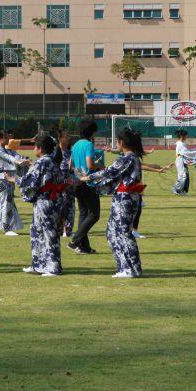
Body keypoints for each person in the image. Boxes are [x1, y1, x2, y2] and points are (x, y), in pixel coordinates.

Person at [82, 128, 145, 278]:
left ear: (121, 142)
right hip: (128, 197)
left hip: (124, 199)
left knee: (120, 233)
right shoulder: (133, 157)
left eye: (117, 141)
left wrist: (89, 178)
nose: (116, 144)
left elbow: (109, 172)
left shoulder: (126, 159)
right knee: (114, 232)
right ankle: (132, 268)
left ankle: (127, 269)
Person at [14, 134, 66, 277]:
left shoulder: (42, 162)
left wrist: (16, 178)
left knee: (48, 233)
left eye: (35, 146)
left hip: (45, 201)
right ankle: (39, 264)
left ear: (40, 148)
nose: (34, 149)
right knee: (38, 231)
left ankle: (53, 266)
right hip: (50, 200)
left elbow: (31, 182)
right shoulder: (52, 161)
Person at [68, 119, 103, 254]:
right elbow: (90, 165)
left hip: (77, 182)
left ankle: (84, 247)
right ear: (92, 132)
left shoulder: (76, 144)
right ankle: (75, 241)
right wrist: (100, 166)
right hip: (88, 182)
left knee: (83, 214)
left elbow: (70, 165)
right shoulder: (88, 145)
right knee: (94, 214)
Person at [0, 130, 27, 236]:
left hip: (9, 179)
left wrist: (25, 160)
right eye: (6, 137)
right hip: (1, 180)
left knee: (4, 202)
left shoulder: (8, 150)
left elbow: (17, 155)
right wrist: (19, 162)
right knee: (6, 202)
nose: (8, 139)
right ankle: (7, 229)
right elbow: (10, 158)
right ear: (0, 138)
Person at [56, 129, 75, 237]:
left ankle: (67, 231)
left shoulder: (70, 153)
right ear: (60, 139)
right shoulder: (55, 153)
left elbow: (74, 169)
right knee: (60, 208)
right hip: (59, 186)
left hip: (70, 185)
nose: (68, 138)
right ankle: (59, 230)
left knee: (70, 208)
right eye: (66, 136)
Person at [172, 129, 196, 196]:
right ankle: (176, 188)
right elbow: (187, 153)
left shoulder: (181, 143)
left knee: (184, 176)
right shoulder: (181, 144)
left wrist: (194, 150)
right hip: (180, 161)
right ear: (182, 136)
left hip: (182, 160)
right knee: (183, 176)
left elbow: (187, 152)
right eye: (186, 135)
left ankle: (182, 191)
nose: (187, 137)